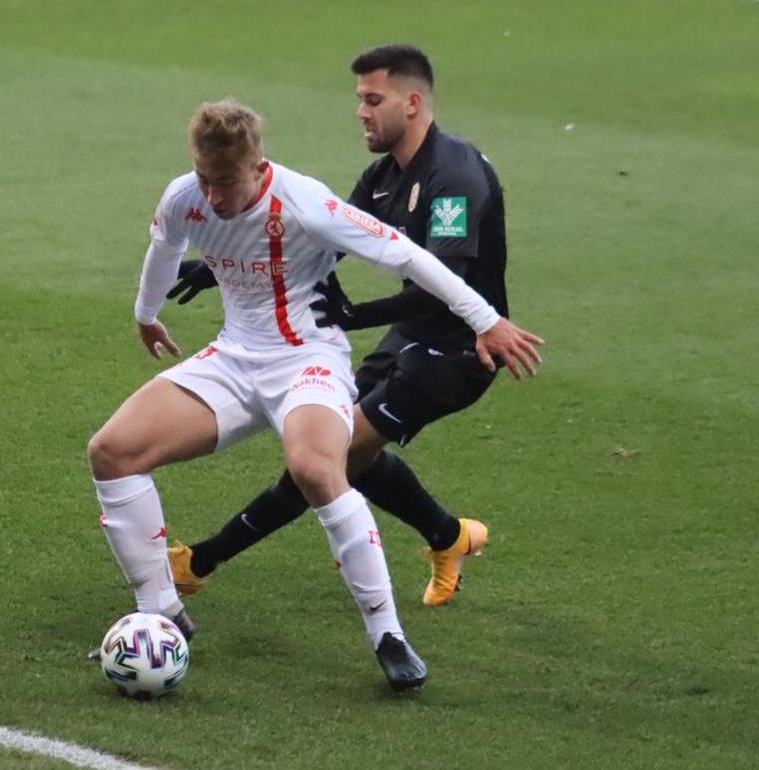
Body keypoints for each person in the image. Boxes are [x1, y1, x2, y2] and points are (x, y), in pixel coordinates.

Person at [87, 98, 542, 692]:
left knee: (315, 469)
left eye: (226, 183)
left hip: (309, 360)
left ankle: (388, 635)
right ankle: (163, 609)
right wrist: (146, 315)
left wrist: (486, 321)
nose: (214, 197)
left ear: (258, 166)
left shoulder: (306, 202)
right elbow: (166, 248)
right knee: (111, 451)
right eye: (205, 179)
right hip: (234, 358)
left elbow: (408, 256)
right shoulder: (185, 196)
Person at [164, 44, 532, 607]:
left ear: (412, 103)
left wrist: (358, 317)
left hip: (462, 350)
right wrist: (214, 268)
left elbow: (445, 282)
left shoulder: (452, 176)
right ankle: (450, 537)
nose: (361, 111)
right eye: (359, 99)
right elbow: (318, 245)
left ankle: (201, 560)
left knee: (328, 457)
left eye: (372, 99)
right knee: (346, 449)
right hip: (410, 336)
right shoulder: (385, 176)